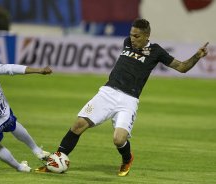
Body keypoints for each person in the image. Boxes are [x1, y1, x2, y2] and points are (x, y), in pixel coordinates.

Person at [35, 18, 209, 176]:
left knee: (119, 139)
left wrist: (197, 56)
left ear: (147, 35)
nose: (132, 39)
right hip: (107, 92)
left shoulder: (156, 51)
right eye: (131, 35)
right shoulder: (127, 43)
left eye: (137, 36)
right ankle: (54, 162)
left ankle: (127, 159)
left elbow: (182, 67)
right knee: (78, 125)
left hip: (129, 100)